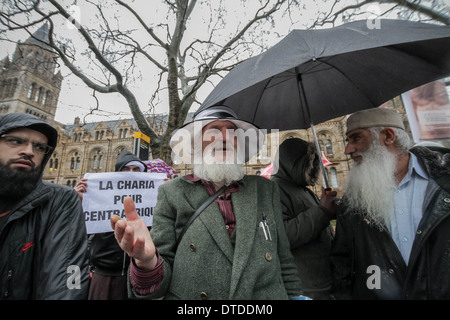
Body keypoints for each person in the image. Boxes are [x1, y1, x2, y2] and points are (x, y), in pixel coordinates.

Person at [110, 106, 303, 300]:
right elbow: (160, 279)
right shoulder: (172, 193)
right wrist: (148, 261)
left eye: (232, 132)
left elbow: (283, 260)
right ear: (194, 144)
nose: (225, 137)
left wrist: (296, 297)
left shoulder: (265, 190)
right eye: (213, 130)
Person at [331, 107, 450, 300]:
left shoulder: (444, 183)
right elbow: (342, 264)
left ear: (388, 136)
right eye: (347, 140)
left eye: (356, 138)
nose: (348, 150)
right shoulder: (353, 201)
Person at [0, 113, 89, 300]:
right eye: (16, 141)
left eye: (39, 147)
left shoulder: (62, 201)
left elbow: (66, 282)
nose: (29, 151)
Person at [74, 150, 148, 300]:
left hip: (137, 274)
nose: (131, 173)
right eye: (126, 169)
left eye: (136, 169)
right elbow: (79, 230)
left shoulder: (150, 198)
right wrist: (78, 201)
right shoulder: (98, 196)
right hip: (105, 273)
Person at [271, 138, 337, 300]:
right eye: (310, 162)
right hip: (305, 289)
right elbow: (283, 235)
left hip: (325, 281)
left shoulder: (303, 190)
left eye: (316, 162)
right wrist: (322, 212)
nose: (314, 167)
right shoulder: (274, 189)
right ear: (291, 162)